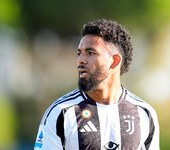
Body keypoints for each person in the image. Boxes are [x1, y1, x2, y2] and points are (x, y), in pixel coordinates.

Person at [34, 19, 160, 150]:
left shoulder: (144, 113)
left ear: (115, 61)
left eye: (91, 53)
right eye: (79, 53)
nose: (80, 60)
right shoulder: (62, 112)